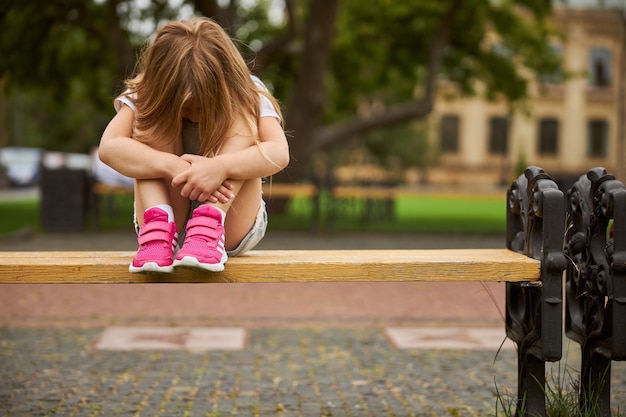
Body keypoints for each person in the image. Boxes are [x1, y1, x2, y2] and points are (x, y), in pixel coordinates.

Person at [99, 17, 290, 273]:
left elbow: (279, 152)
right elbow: (109, 148)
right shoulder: (146, 91)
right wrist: (171, 165)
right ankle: (157, 233)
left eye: (202, 104)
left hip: (228, 222)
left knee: (244, 111)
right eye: (186, 107)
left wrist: (221, 167)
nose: (195, 115)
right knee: (146, 128)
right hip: (166, 220)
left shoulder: (246, 89)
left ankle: (207, 227)